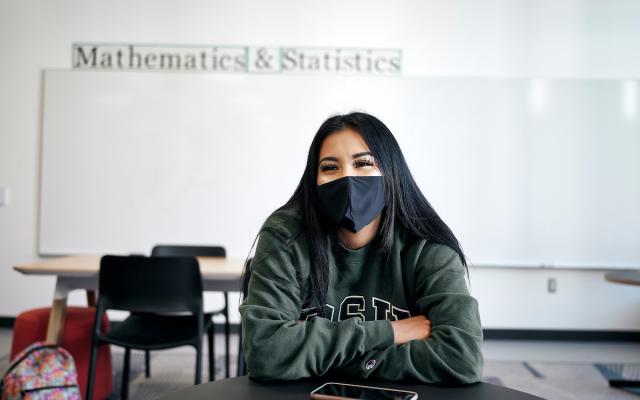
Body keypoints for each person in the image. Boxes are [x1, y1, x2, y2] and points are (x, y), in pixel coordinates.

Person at [239, 112, 483, 384]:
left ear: (391, 171)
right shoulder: (286, 235)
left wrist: (320, 352)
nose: (347, 178)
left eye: (363, 163)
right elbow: (266, 352)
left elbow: (462, 358)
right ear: (313, 180)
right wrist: (390, 332)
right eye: (330, 167)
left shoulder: (426, 245)